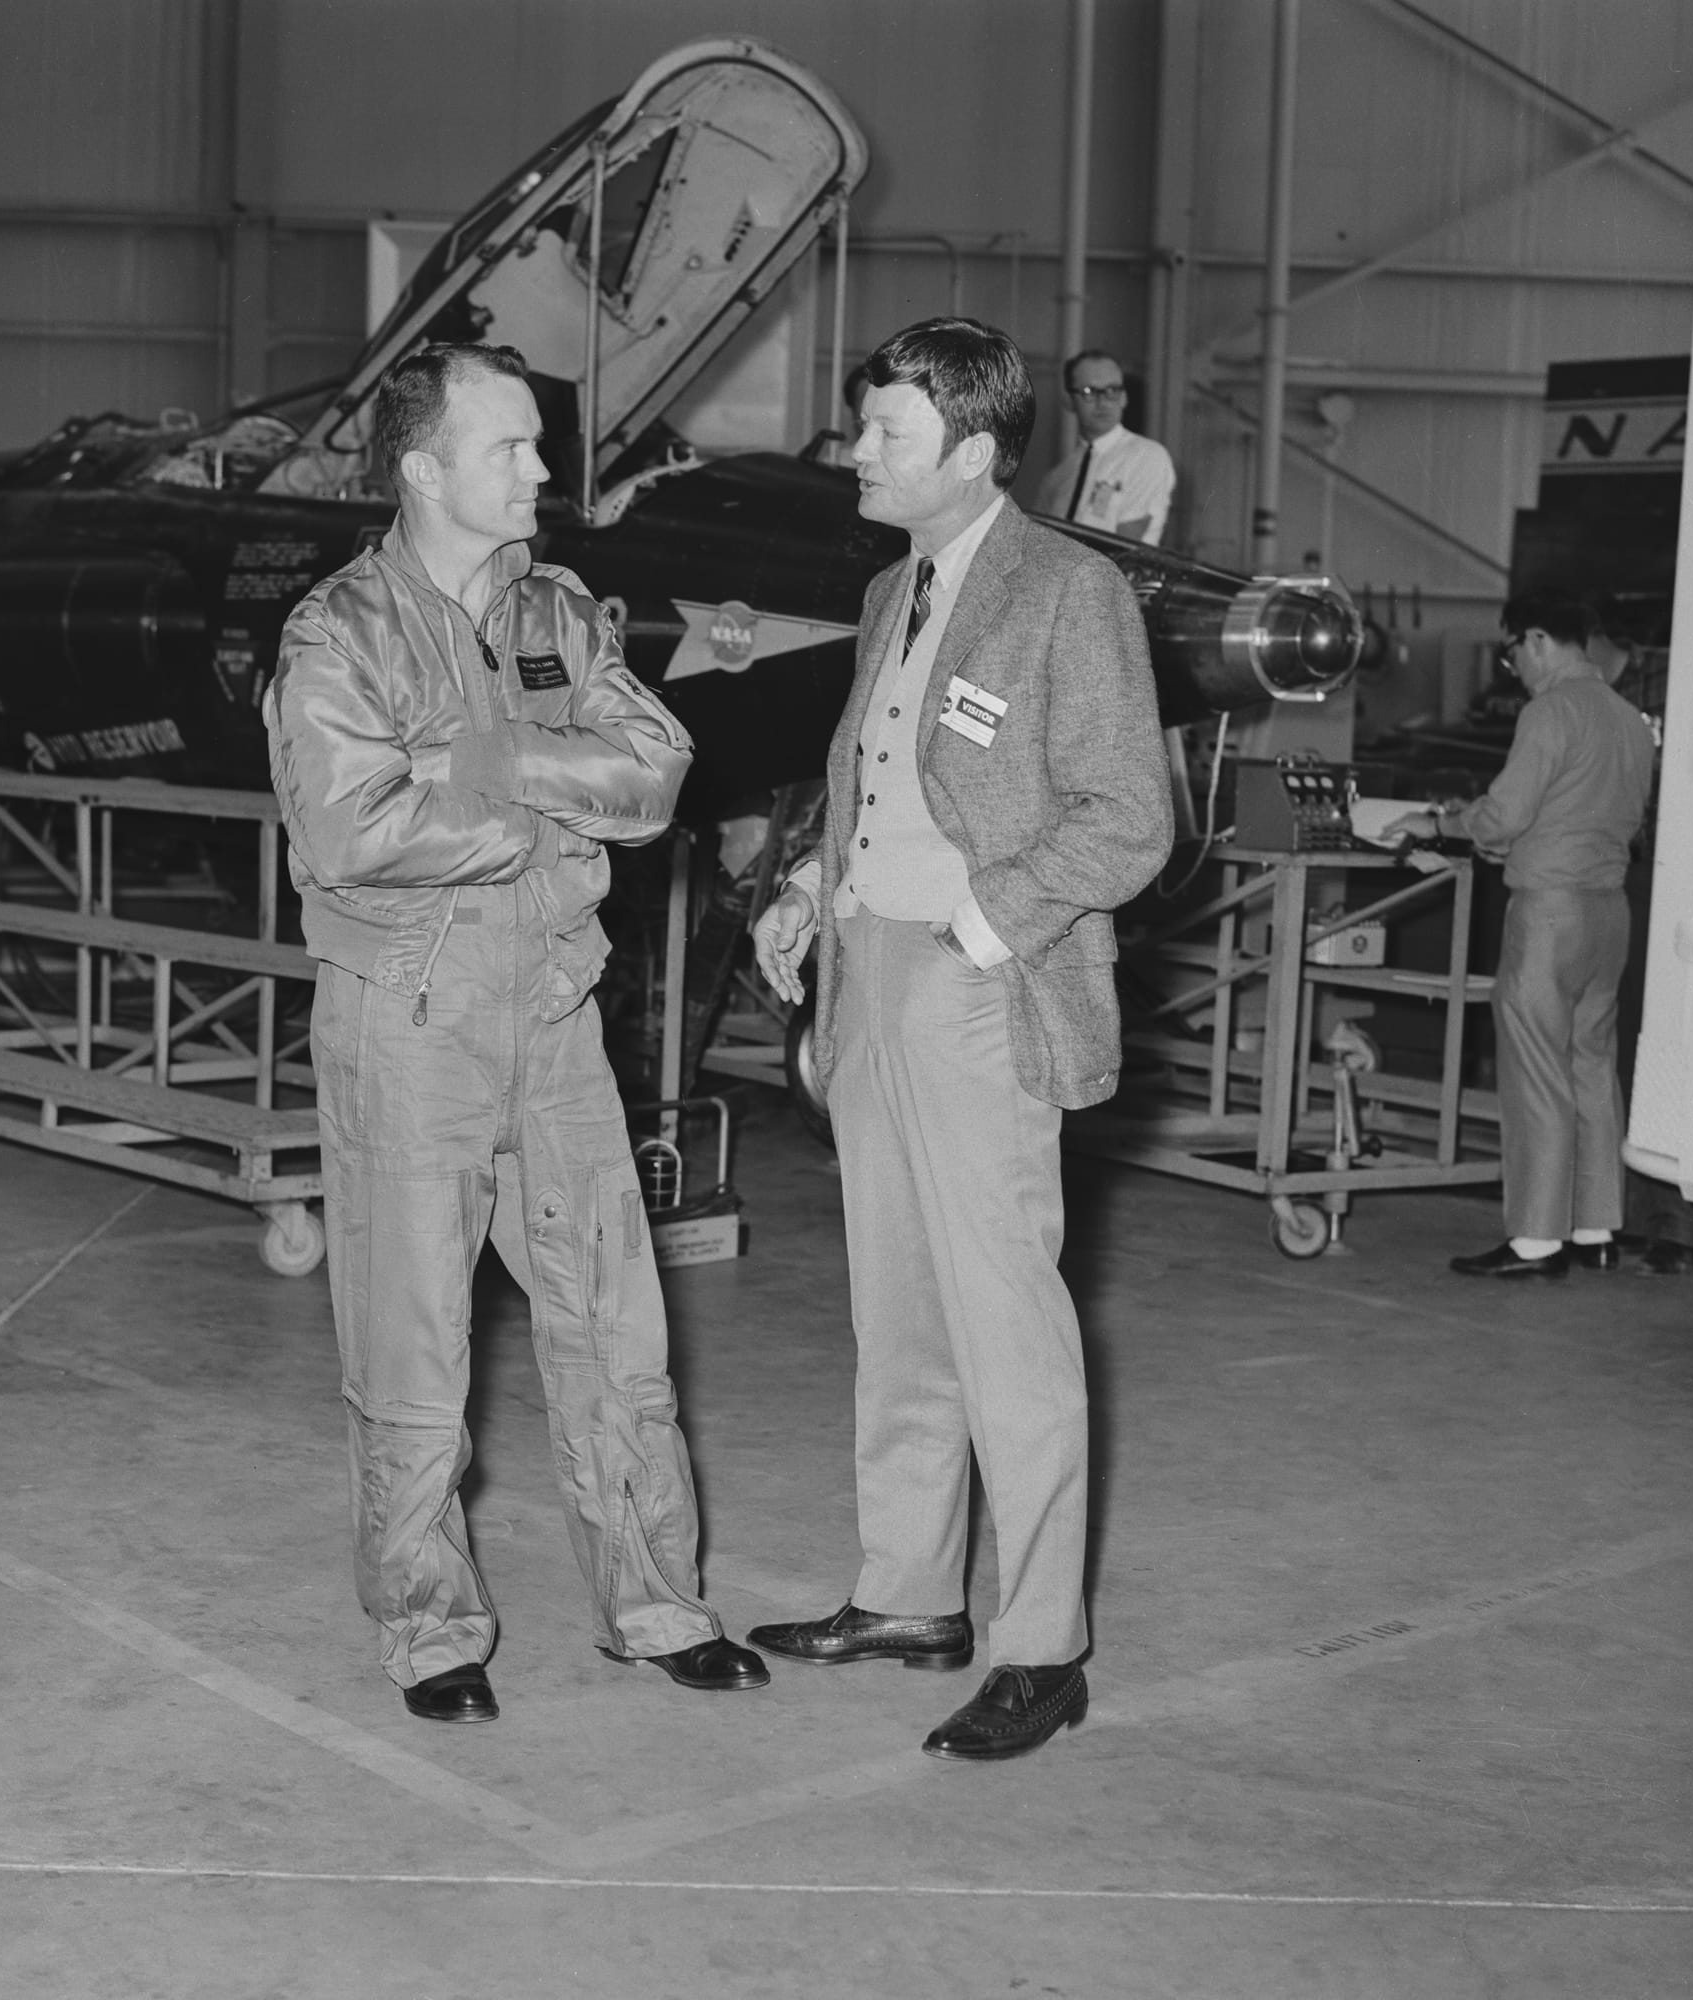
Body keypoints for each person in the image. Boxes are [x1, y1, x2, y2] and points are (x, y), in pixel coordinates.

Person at [264, 343, 767, 1722]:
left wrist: (477, 764)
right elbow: (348, 830)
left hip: (551, 1012)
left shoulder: (558, 611)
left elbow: (655, 769)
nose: (546, 471)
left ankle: (657, 1605)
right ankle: (431, 1629)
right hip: (409, 1026)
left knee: (617, 1331)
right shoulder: (339, 634)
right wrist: (552, 800)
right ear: (425, 470)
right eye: (514, 449)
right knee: (412, 1350)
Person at [747, 317, 1173, 1760]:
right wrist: (816, 887)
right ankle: (910, 1592)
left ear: (975, 452)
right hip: (869, 978)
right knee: (900, 1309)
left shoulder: (1071, 591)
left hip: (982, 987)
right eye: (864, 427)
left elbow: (1128, 817)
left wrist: (984, 933)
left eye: (886, 435)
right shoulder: (891, 591)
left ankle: (1042, 1644)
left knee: (1008, 1331)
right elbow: (870, 772)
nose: (857, 453)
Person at [1389, 591, 1655, 1280]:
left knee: (1537, 1071)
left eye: (1513, 654)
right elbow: (1584, 814)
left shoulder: (1551, 710)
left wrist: (1440, 824)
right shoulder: (1629, 719)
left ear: (1536, 639)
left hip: (1550, 916)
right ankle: (1596, 1228)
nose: (1516, 668)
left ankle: (1537, 1241)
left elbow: (1505, 815)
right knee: (1591, 1067)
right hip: (1609, 911)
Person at [1030, 351, 1176, 544]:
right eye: (1089, 392)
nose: (1103, 402)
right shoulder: (1056, 478)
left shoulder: (1146, 456)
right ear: (1068, 400)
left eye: (1112, 390)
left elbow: (1124, 548)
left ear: (1124, 398)